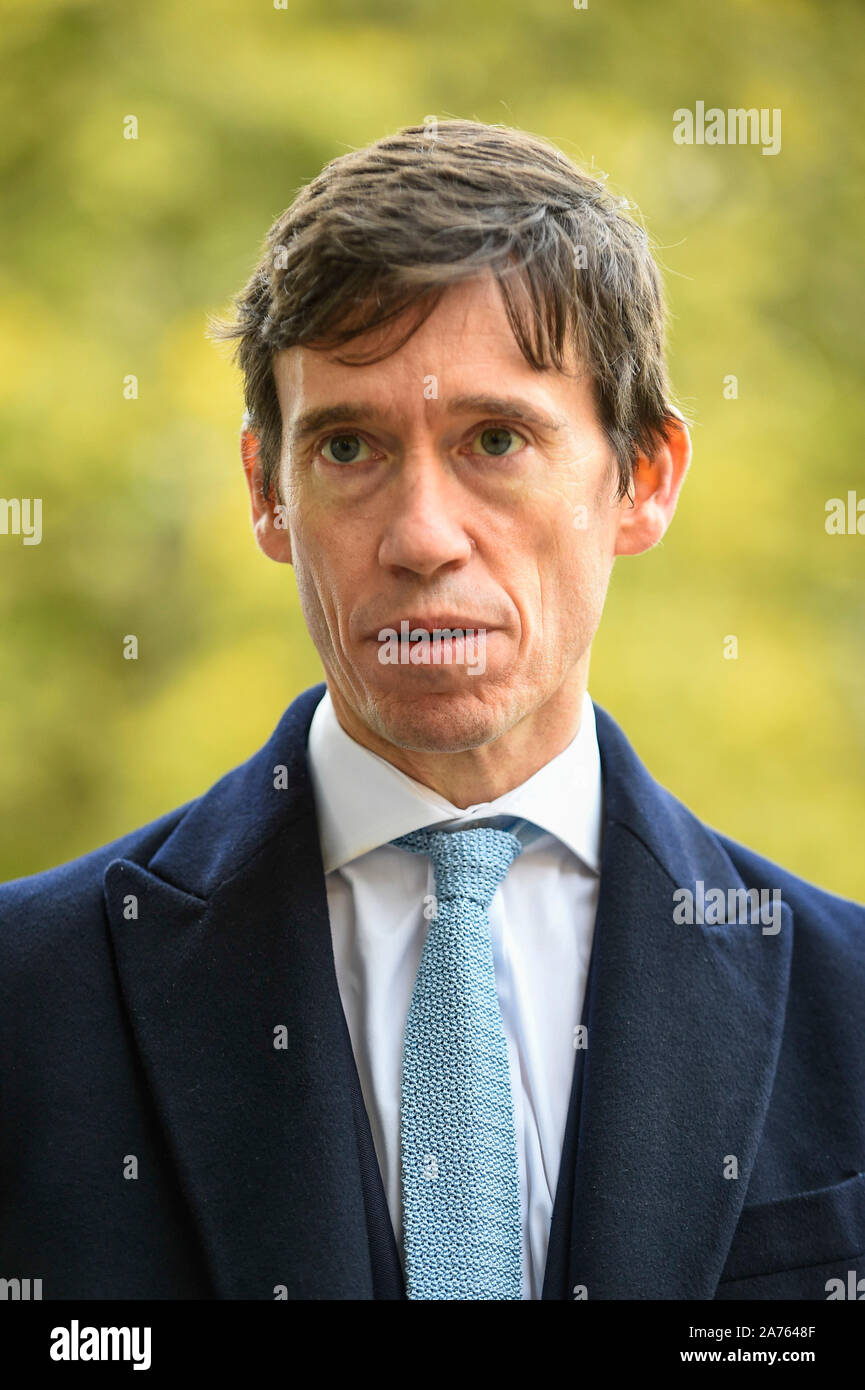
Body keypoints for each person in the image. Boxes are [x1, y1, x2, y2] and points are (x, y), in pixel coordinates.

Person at [1, 120, 863, 1302]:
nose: (419, 538)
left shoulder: (848, 1001)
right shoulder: (26, 995)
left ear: (643, 477)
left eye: (494, 439)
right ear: (268, 494)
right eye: (348, 446)